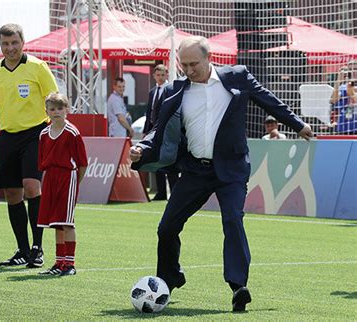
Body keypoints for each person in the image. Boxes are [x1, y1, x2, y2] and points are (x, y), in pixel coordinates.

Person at [129, 36, 313, 312]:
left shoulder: (237, 77)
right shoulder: (176, 88)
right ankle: (169, 278)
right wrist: (143, 147)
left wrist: (298, 125)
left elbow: (269, 102)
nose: (189, 70)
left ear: (209, 58)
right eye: (184, 64)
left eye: (194, 64)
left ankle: (238, 286)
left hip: (232, 169)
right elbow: (159, 127)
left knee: (232, 219)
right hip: (194, 169)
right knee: (167, 227)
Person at [0, 23, 59, 268]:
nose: (10, 48)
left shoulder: (37, 67)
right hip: (8, 136)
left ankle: (38, 248)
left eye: (14, 43)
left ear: (23, 42)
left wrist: (58, 131)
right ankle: (22, 250)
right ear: (0, 45)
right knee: (12, 193)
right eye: (5, 43)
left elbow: (55, 99)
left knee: (31, 186)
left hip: (36, 133)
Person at [36, 93, 88, 276]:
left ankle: (70, 264)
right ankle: (59, 263)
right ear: (47, 112)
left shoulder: (72, 133)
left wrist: (75, 183)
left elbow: (82, 163)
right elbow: (42, 162)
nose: (56, 112)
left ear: (67, 110)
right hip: (50, 178)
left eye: (60, 108)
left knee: (67, 223)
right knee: (56, 223)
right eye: (52, 109)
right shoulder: (43, 134)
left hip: (67, 177)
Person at [143, 64, 178, 200]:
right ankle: (161, 192)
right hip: (154, 132)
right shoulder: (153, 92)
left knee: (169, 161)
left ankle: (174, 191)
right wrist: (147, 132)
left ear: (167, 75)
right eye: (158, 75)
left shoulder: (171, 89)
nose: (160, 77)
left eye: (163, 75)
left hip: (167, 131)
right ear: (154, 76)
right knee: (156, 161)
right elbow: (149, 113)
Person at [330, 61, 356, 129]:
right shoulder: (343, 86)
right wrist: (338, 81)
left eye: (355, 69)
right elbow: (334, 100)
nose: (353, 72)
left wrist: (352, 94)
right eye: (350, 70)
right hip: (343, 124)